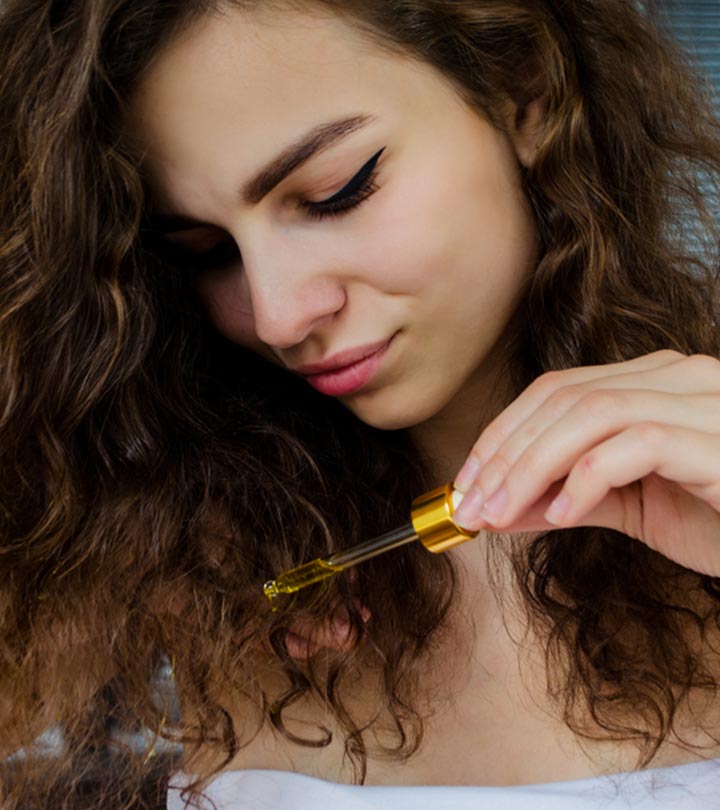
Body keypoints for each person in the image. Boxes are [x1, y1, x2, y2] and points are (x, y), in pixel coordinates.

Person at [1, 0, 720, 807]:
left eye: (336, 192)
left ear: (526, 93)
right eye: (205, 254)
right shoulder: (179, 552)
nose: (275, 314)